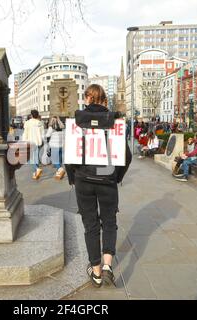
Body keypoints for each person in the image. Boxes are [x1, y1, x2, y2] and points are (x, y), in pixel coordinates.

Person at [66, 84, 132, 288]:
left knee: (91, 225)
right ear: (104, 100)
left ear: (87, 99)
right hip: (107, 180)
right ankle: (107, 267)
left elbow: (69, 155)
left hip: (83, 180)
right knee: (109, 222)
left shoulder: (77, 121)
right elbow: (126, 156)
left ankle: (95, 272)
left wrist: (73, 177)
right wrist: (116, 176)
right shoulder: (114, 121)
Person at [22, 110, 45, 180]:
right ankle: (35, 173)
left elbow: (25, 133)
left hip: (30, 142)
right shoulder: (40, 123)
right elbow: (42, 133)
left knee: (30, 158)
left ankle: (37, 169)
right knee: (36, 157)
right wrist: (42, 141)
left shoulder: (27, 123)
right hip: (37, 142)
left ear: (31, 115)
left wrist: (24, 141)